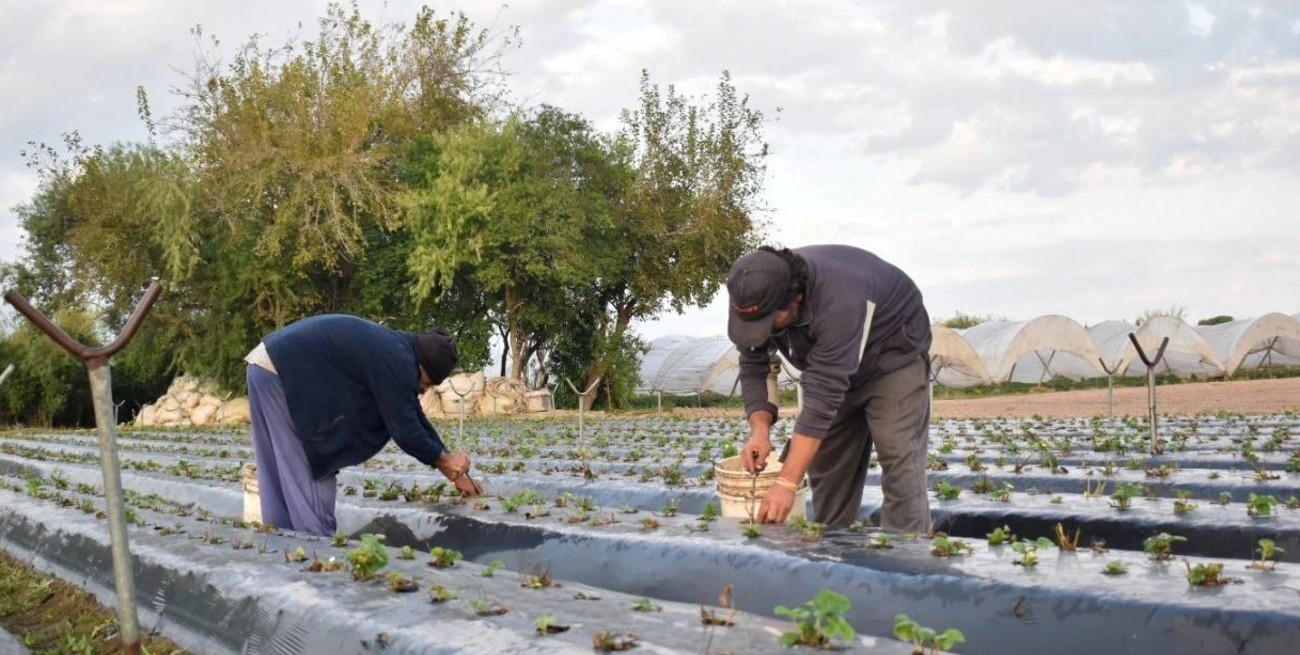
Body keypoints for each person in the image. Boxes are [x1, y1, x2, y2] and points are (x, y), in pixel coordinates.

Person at [727, 245, 932, 532]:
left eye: (769, 322)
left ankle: (908, 560)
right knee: (828, 463)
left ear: (795, 299)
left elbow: (823, 397)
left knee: (898, 457)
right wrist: (760, 430)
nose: (762, 330)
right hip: (829, 362)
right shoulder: (751, 294)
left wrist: (786, 482)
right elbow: (753, 364)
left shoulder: (840, 297)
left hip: (892, 358)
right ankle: (833, 556)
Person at [245, 314, 480, 535]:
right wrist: (444, 460)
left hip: (264, 364)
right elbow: (406, 429)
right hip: (282, 372)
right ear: (423, 367)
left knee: (276, 473)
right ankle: (315, 556)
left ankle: (279, 547)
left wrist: (446, 463)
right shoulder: (397, 360)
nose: (423, 391)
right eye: (426, 384)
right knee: (309, 465)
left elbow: (414, 414)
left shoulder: (395, 348)